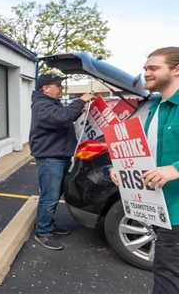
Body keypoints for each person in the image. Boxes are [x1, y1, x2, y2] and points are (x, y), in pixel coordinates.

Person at [110, 47, 179, 293]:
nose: (146, 73)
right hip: (160, 211)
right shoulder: (157, 106)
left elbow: (171, 167)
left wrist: (176, 170)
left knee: (167, 279)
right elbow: (147, 155)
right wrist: (122, 170)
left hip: (177, 212)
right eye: (145, 68)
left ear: (176, 69)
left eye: (153, 68)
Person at [29, 74, 94, 250]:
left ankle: (48, 225)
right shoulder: (42, 105)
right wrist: (80, 101)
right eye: (58, 85)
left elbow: (65, 116)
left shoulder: (51, 103)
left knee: (55, 195)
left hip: (59, 156)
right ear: (46, 88)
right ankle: (43, 232)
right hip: (50, 158)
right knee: (49, 197)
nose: (61, 88)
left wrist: (80, 109)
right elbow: (62, 117)